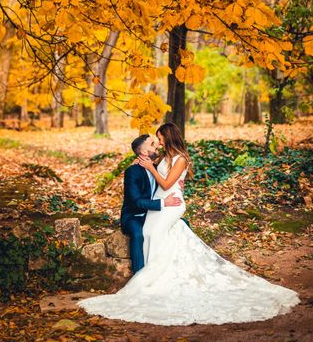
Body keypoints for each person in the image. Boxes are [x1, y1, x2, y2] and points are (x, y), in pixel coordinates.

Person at [78, 122, 300, 325]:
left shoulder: (180, 158)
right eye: (156, 140)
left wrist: (151, 169)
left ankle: (154, 279)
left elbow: (165, 183)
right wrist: (142, 162)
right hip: (162, 204)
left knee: (155, 233)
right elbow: (148, 167)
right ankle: (148, 277)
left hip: (172, 203)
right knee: (150, 232)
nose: (159, 143)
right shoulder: (164, 157)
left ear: (169, 137)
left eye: (161, 139)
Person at [120, 133, 183, 273]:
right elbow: (136, 202)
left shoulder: (158, 165)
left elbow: (170, 179)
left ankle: (173, 270)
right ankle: (139, 276)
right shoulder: (132, 171)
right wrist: (163, 203)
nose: (157, 146)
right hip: (134, 216)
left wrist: (178, 185)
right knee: (137, 234)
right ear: (143, 151)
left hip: (152, 213)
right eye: (152, 144)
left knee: (182, 225)